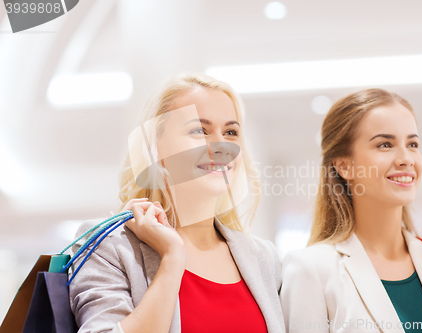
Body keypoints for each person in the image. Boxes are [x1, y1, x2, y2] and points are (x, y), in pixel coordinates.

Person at [68, 73, 285, 333]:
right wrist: (172, 259)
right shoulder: (108, 247)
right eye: (199, 130)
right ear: (155, 147)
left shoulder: (263, 259)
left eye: (230, 132)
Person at [280, 89, 422, 333]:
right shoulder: (311, 269)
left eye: (412, 144)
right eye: (385, 144)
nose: (406, 158)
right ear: (343, 166)